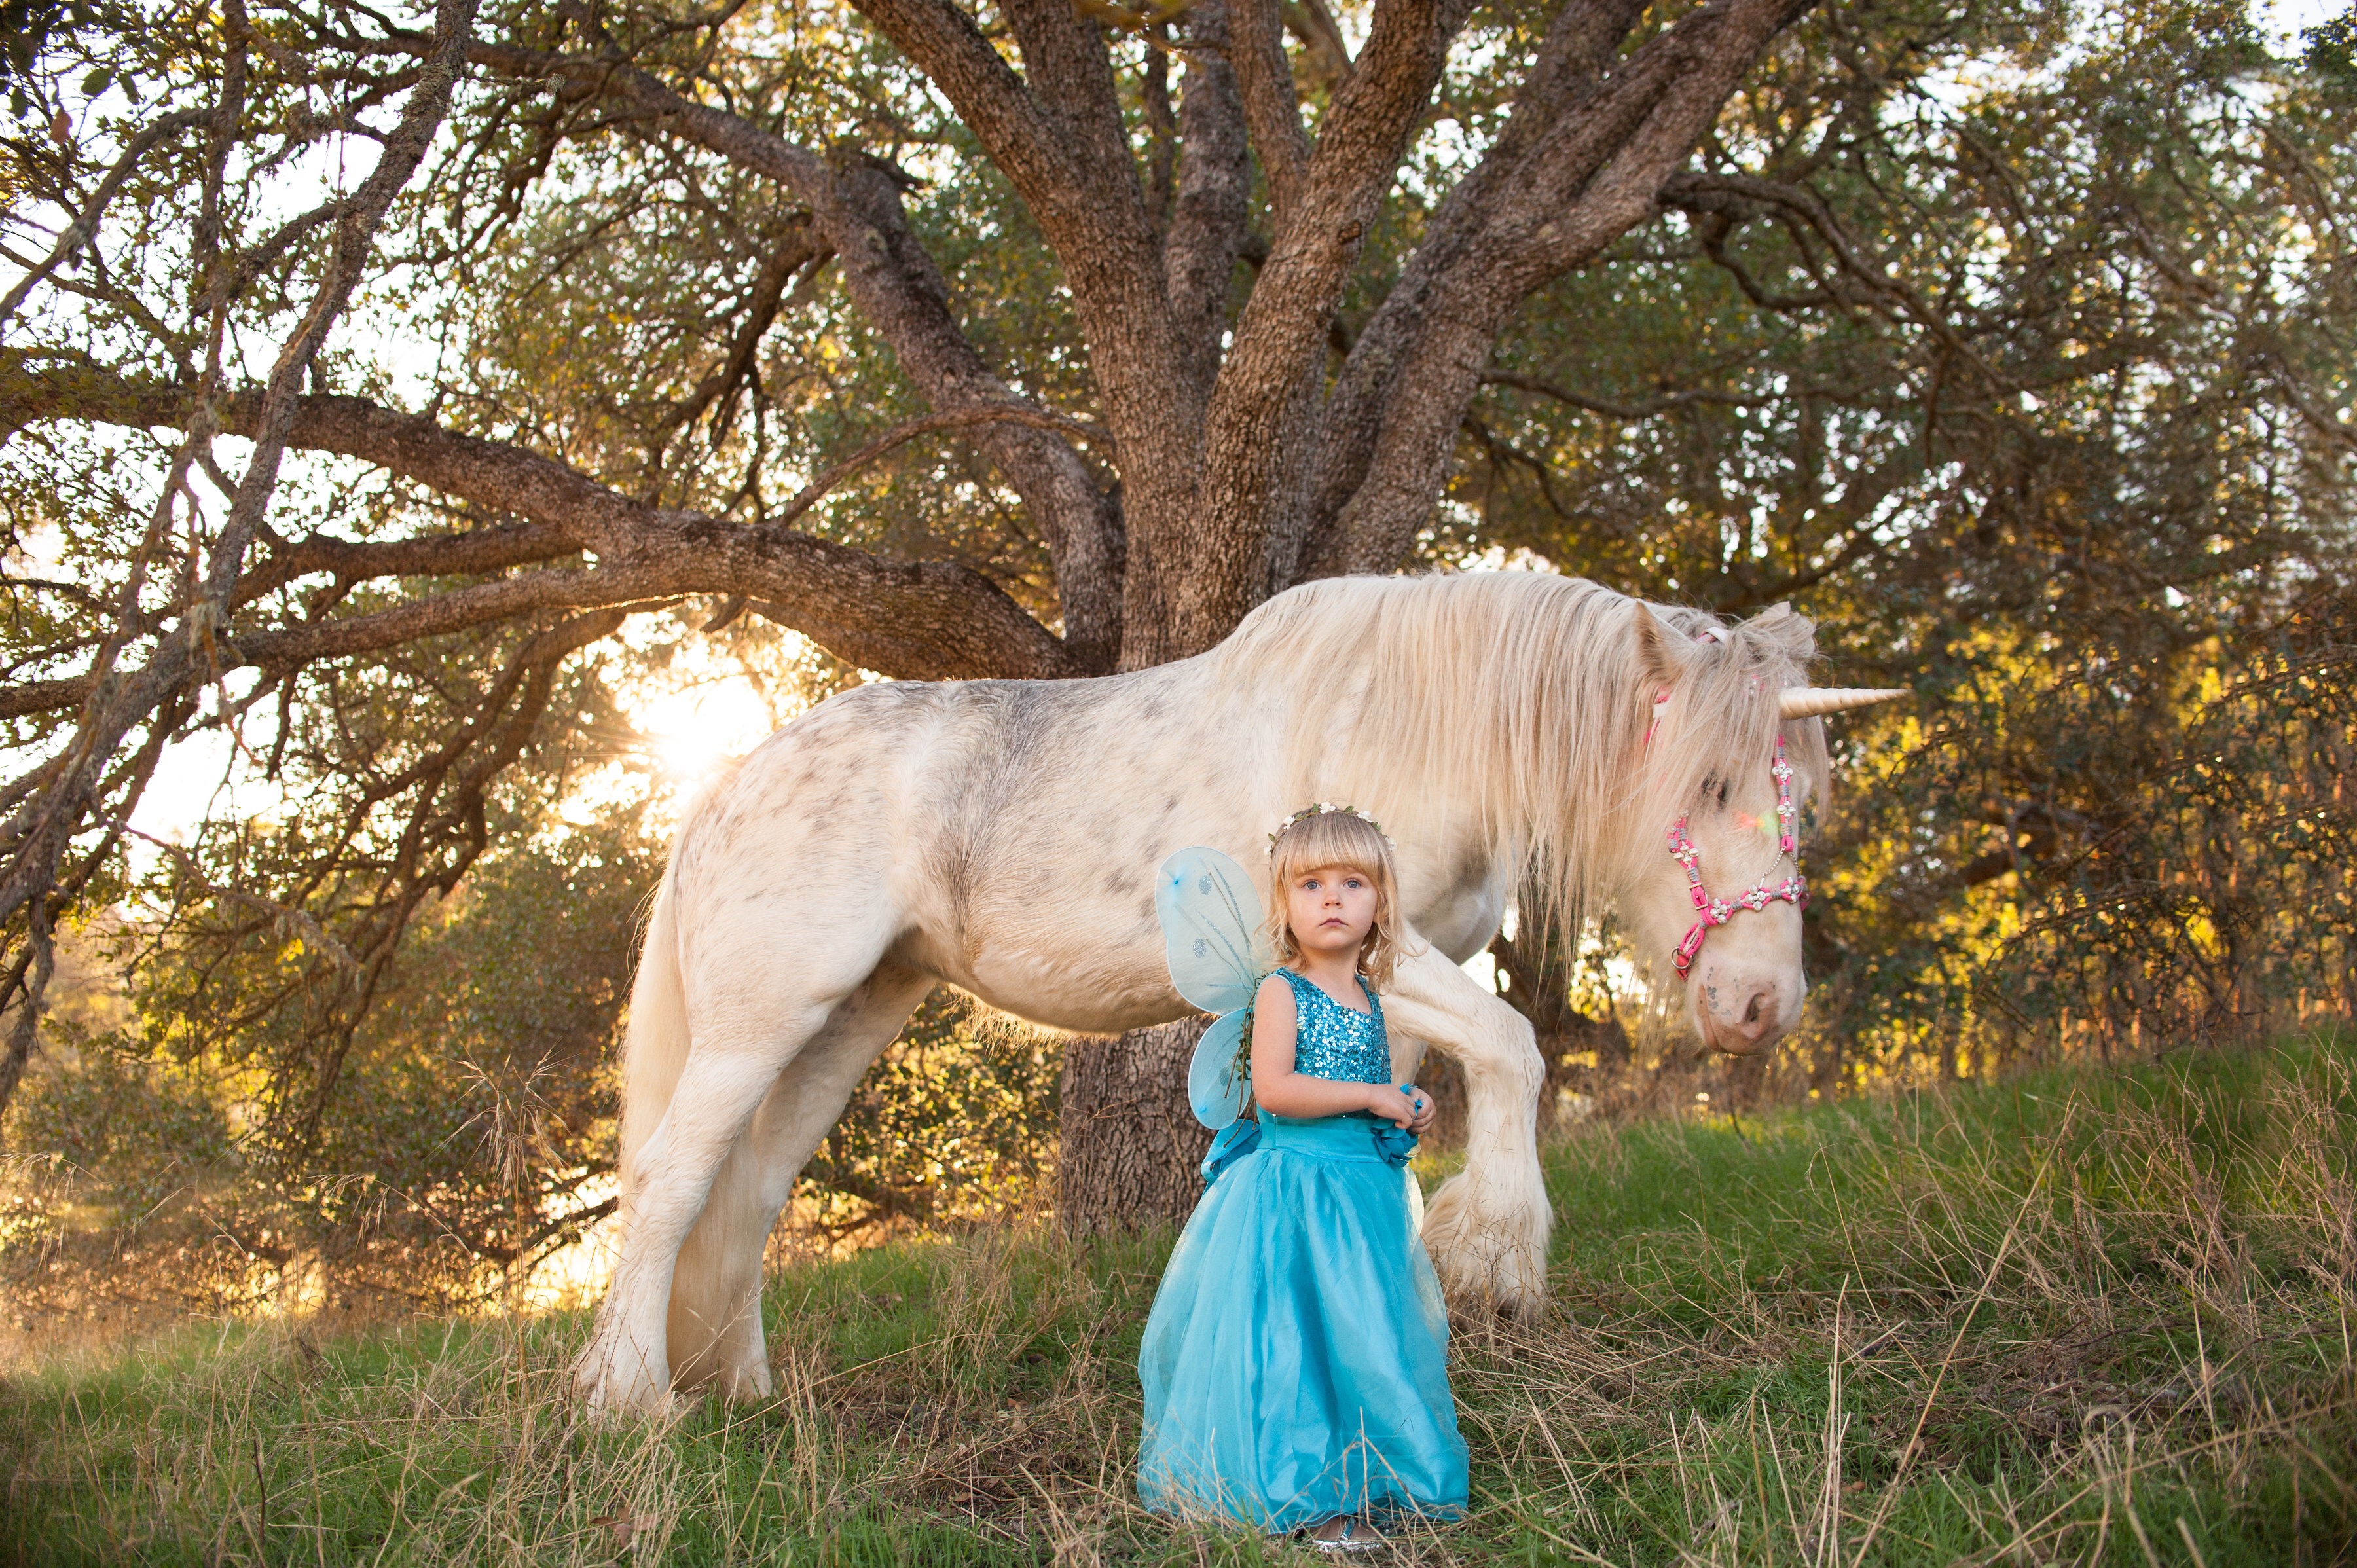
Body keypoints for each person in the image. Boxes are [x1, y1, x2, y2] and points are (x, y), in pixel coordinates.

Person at [1137, 805, 1470, 1551]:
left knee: (1364, 1336)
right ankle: (1308, 1492)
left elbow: (1368, 1095)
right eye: (1311, 883)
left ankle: (1375, 1473)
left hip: (1359, 1200)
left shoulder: (1370, 999)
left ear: (1379, 902)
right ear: (1284, 902)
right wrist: (1373, 1094)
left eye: (1353, 882)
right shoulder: (1282, 992)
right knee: (1297, 1341)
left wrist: (1406, 1108)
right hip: (1294, 1194)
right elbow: (1278, 1090)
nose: (1332, 898)